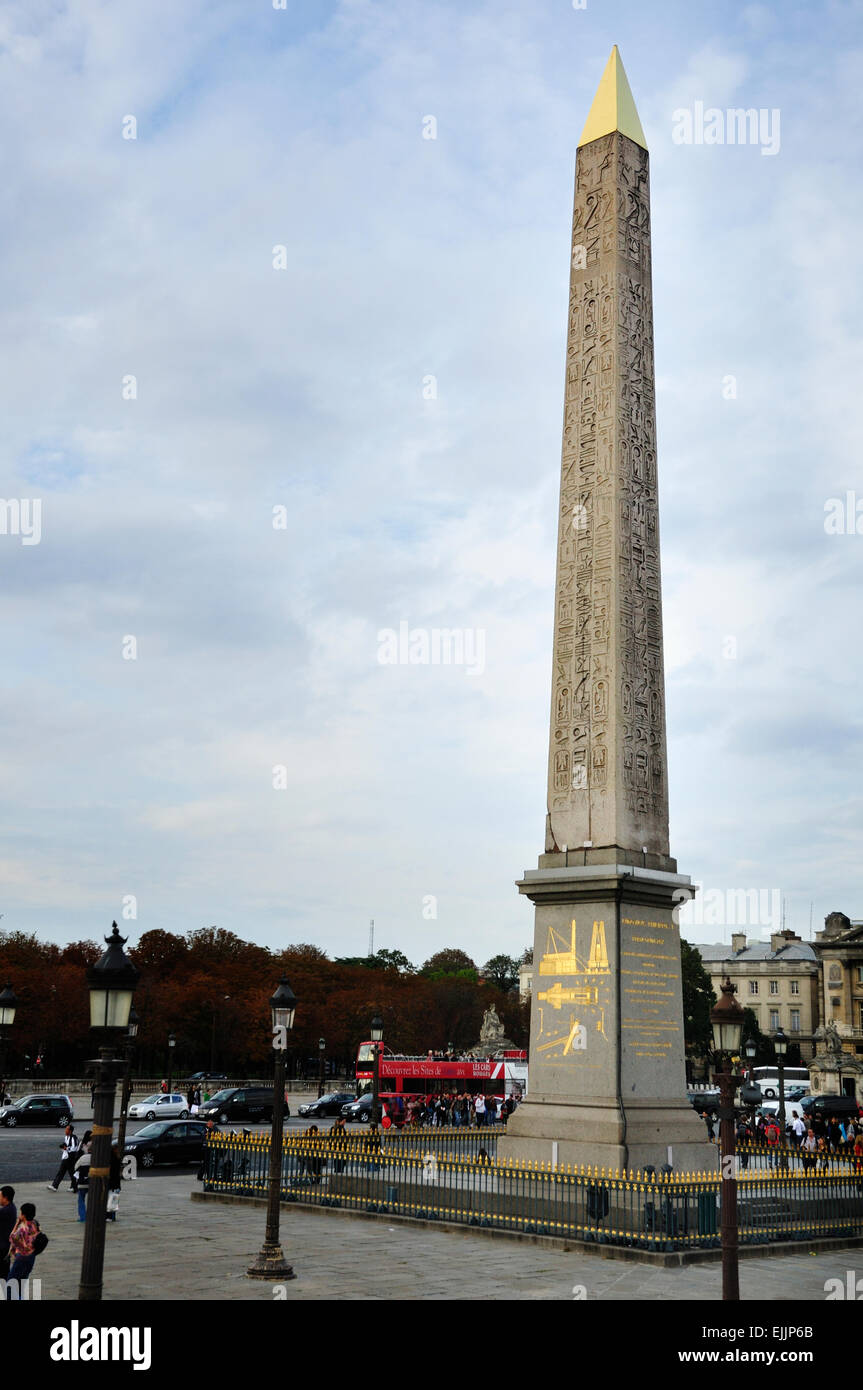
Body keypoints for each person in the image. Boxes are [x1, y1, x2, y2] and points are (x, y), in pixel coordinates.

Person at [6, 1203, 40, 1298]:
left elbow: (11, 1238)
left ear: (23, 1215)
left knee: (10, 1284)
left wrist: (17, 1223)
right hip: (31, 1258)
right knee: (21, 1283)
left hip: (21, 1258)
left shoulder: (22, 1228)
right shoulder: (35, 1224)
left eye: (20, 1213)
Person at [47, 1125, 81, 1192]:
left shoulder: (73, 1138)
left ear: (70, 1131)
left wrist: (66, 1148)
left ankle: (55, 1186)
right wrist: (63, 1146)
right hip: (66, 1157)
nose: (65, 1130)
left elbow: (74, 1148)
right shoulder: (66, 1137)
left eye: (67, 1129)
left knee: (62, 1172)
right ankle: (74, 1187)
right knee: (70, 1173)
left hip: (69, 1158)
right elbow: (66, 1144)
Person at [75, 1131, 93, 1221]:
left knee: (81, 1199)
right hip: (92, 1181)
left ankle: (83, 1217)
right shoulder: (96, 1158)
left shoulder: (82, 1156)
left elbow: (76, 1167)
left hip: (82, 1180)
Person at [0, 1186, 16, 1281]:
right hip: (6, 1246)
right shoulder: (12, 1207)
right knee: (4, 1272)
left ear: (5, 1198)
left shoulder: (4, 1211)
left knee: (3, 1274)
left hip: (2, 1247)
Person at [106, 1144, 122, 1221]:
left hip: (111, 1183)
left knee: (110, 1200)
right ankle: (112, 1216)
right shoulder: (117, 1159)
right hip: (116, 1183)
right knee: (114, 1200)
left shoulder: (110, 1159)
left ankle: (109, 1216)